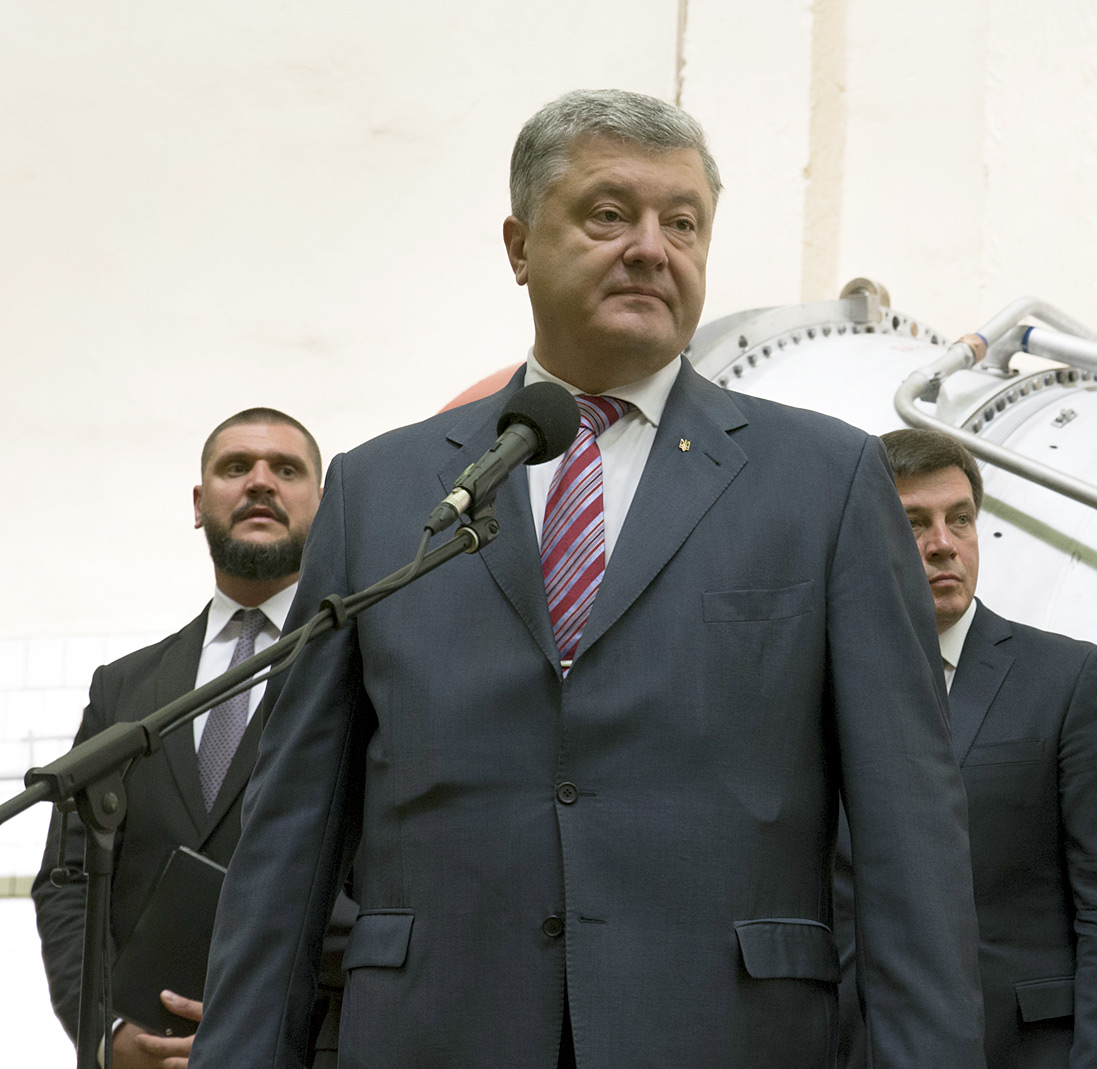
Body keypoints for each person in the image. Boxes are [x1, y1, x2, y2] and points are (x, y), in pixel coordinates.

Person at [194, 90, 983, 1069]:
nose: (652, 248)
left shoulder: (825, 482)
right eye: (610, 214)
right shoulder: (379, 492)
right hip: (437, 1032)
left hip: (727, 1034)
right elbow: (289, 836)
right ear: (520, 245)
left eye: (682, 223)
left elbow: (910, 829)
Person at [835, 429, 1097, 1069]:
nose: (943, 544)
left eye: (960, 519)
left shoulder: (1065, 682)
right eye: (914, 523)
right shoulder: (821, 688)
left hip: (1022, 1049)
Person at [33, 408, 346, 1069]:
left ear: (323, 505)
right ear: (200, 504)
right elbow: (67, 881)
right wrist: (107, 1031)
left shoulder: (364, 668)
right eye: (236, 467)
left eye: (286, 470)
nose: (260, 482)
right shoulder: (123, 688)